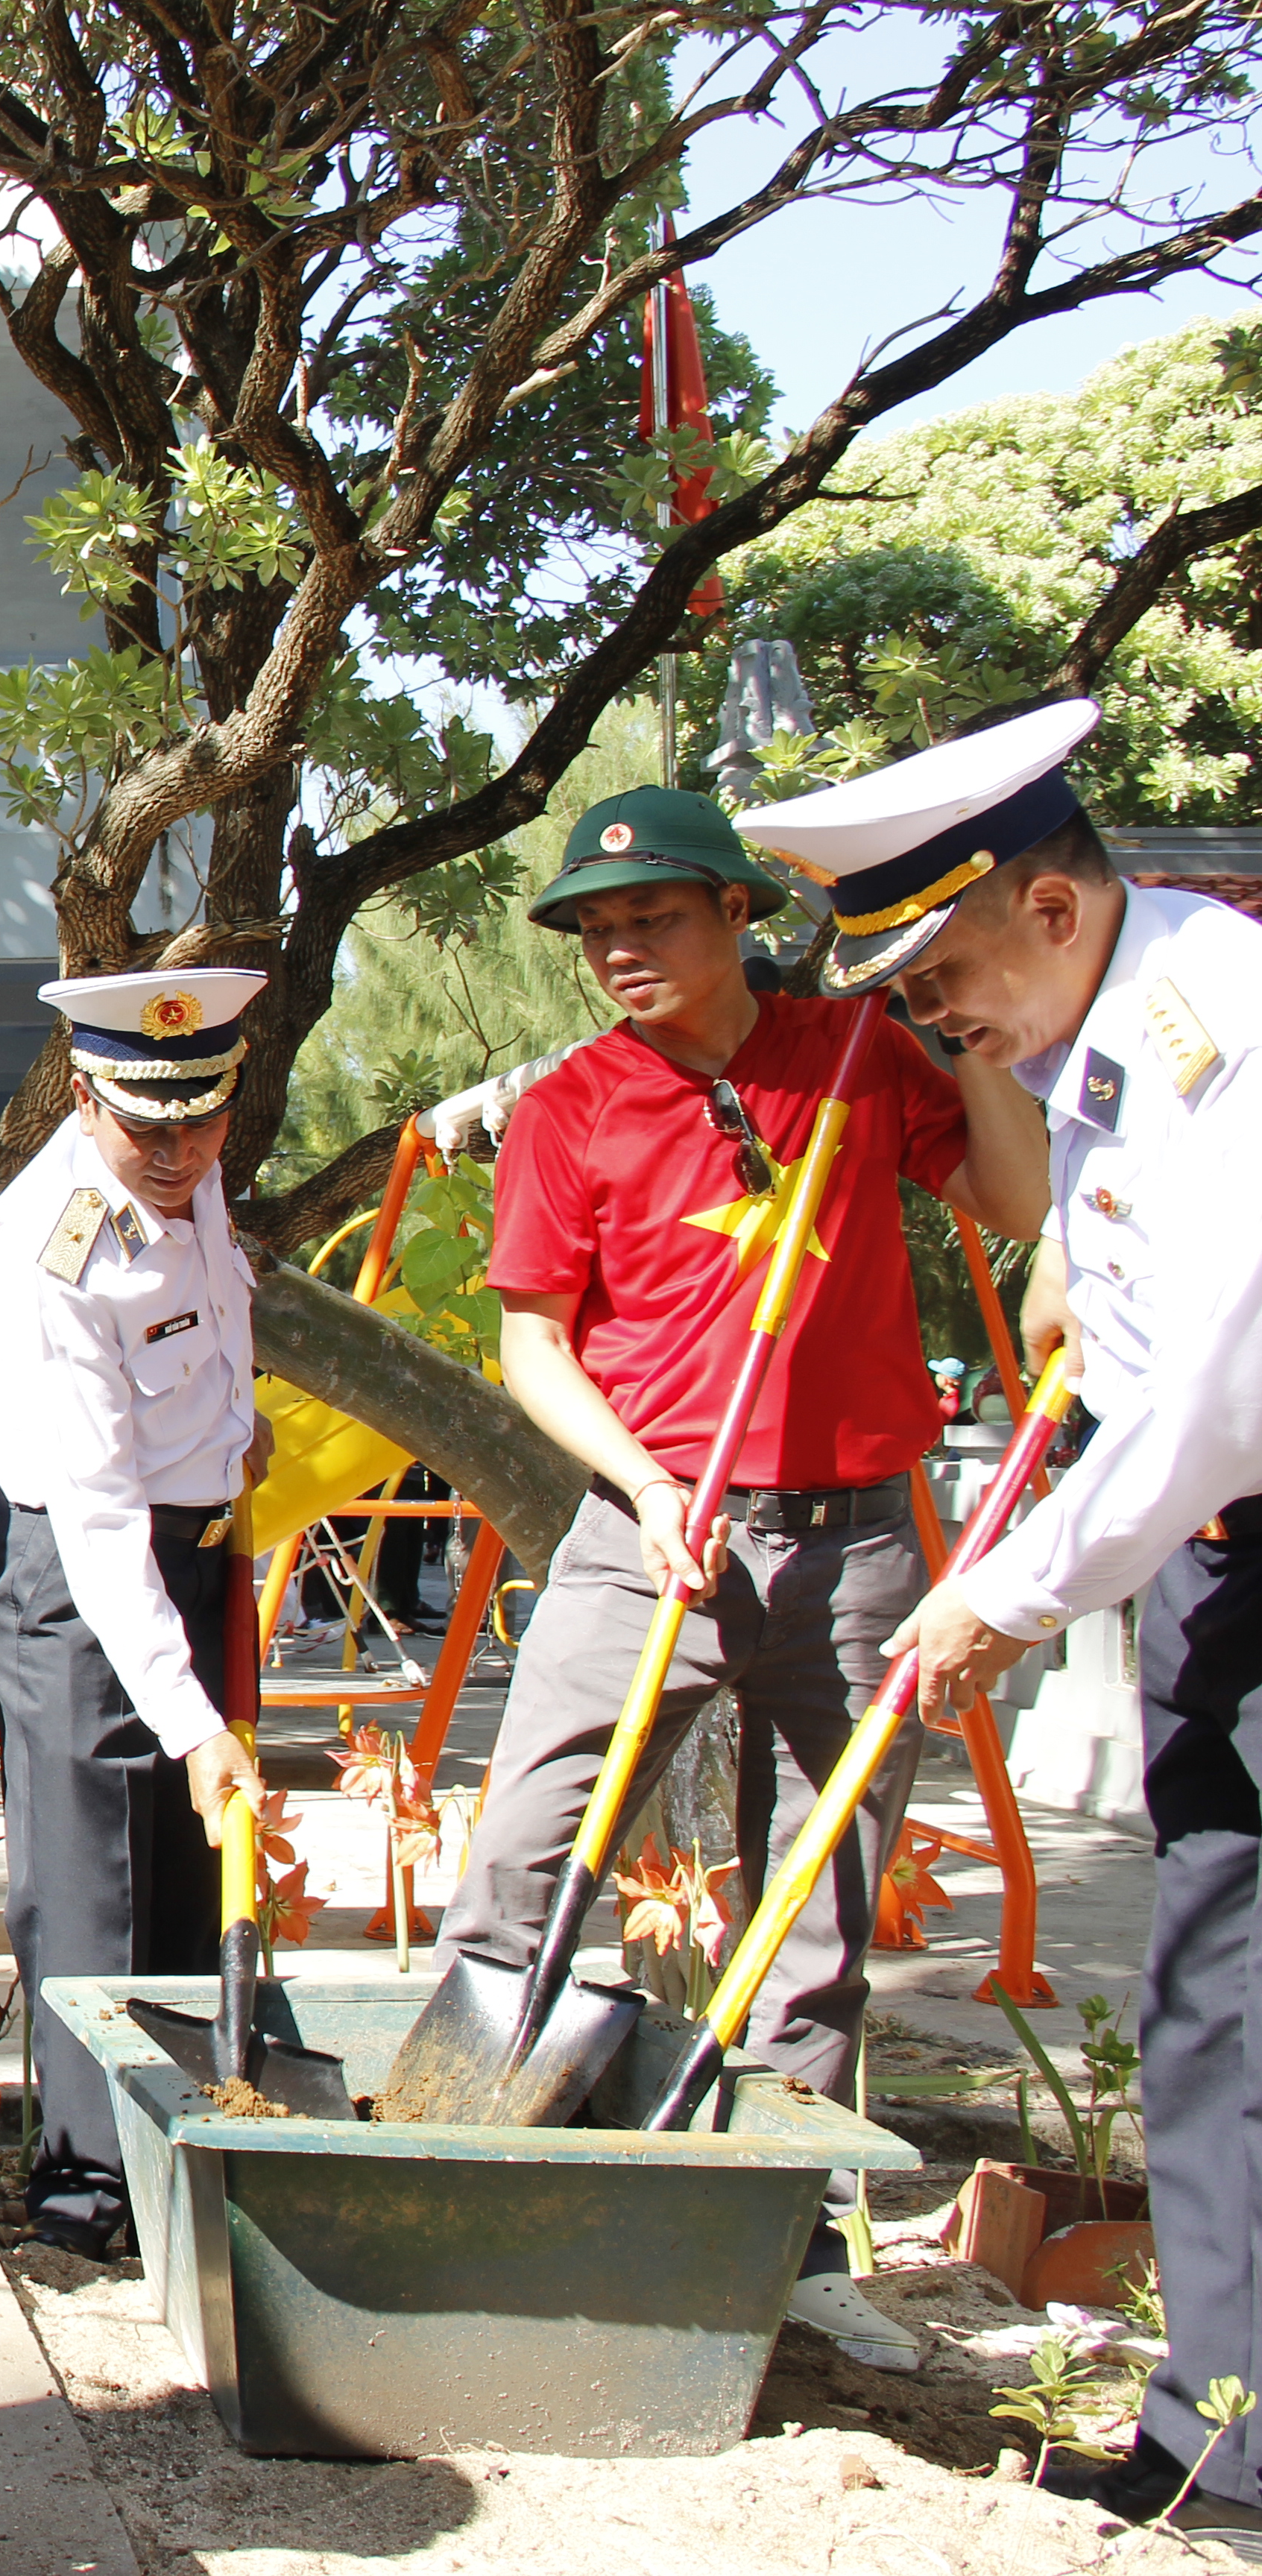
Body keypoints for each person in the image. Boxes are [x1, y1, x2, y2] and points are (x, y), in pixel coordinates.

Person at [437, 783, 1047, 2370]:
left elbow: (1012, 1203)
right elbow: (533, 1341)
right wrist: (637, 1481)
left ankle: (781, 2248)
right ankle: (452, 2170)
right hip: (648, 1536)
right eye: (596, 928)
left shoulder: (855, 1054)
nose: (620, 948)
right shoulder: (573, 1104)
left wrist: (977, 1052)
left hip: (850, 1537)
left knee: (821, 1902)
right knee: (527, 1838)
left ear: (734, 919)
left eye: (654, 918)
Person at [821, 703, 1262, 2535]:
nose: (936, 1026)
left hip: (1227, 1510)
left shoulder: (1203, 1023)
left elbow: (1215, 1391)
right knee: (1212, 2000)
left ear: (1055, 911)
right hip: (1217, 1564)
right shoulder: (1104, 1053)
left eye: (943, 977)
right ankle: (1220, 2437)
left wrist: (994, 1597)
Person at [0, 967, 271, 2253]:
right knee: (90, 1891)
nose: (177, 1153)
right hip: (80, 1584)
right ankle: (86, 2193)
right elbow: (94, 1519)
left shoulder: (188, 1171)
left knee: (184, 1881)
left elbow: (207, 1333)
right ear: (81, 1091)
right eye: (146, 1126)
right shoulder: (52, 1248)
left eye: (201, 1120)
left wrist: (232, 1436)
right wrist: (192, 1720)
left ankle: (191, 2159)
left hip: (191, 1552)